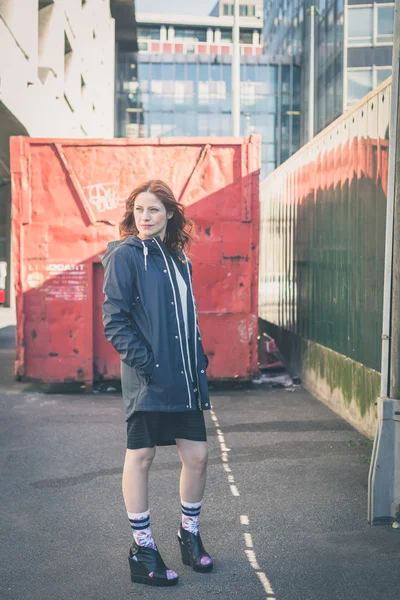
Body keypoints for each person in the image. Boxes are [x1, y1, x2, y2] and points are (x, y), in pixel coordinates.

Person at [102, 179, 212, 587]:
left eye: (153, 210)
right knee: (142, 457)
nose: (145, 217)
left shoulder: (178, 258)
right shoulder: (126, 256)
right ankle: (143, 548)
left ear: (169, 214)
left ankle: (189, 535)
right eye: (139, 210)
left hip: (185, 380)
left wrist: (198, 360)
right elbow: (114, 320)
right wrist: (147, 364)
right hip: (148, 379)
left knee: (198, 457)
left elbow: (187, 317)